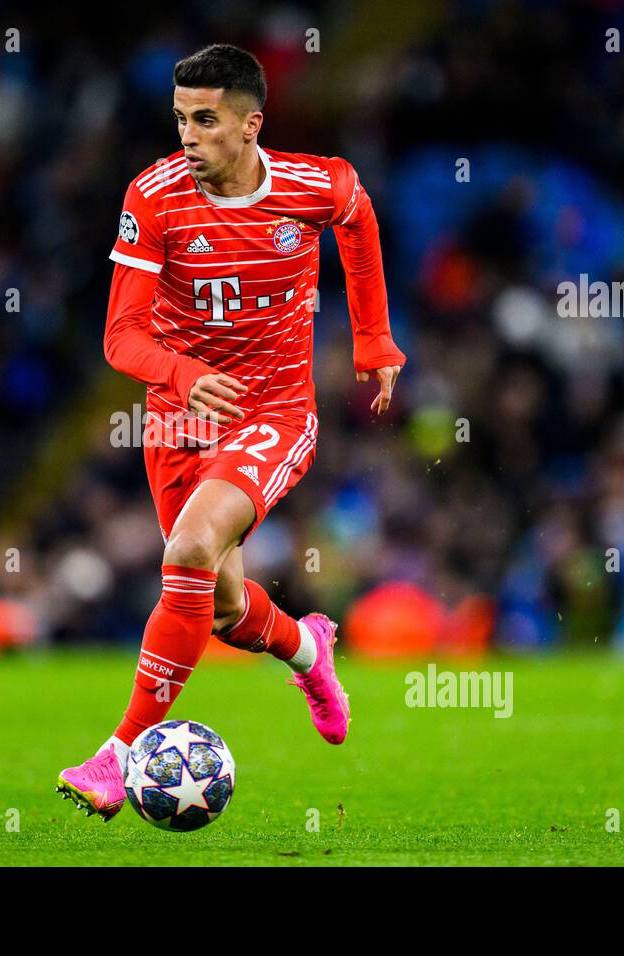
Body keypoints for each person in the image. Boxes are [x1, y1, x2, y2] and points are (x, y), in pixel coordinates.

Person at [56, 45, 405, 820]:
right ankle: (311, 650)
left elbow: (357, 217)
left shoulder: (315, 184)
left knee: (185, 551)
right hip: (179, 418)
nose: (187, 134)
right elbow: (121, 338)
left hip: (275, 415)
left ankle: (118, 755)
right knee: (219, 606)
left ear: (251, 125)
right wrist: (183, 377)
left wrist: (374, 339)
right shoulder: (154, 197)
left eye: (205, 120)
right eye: (180, 117)